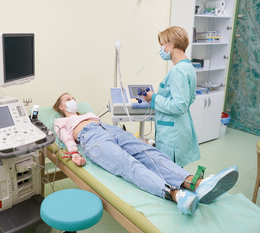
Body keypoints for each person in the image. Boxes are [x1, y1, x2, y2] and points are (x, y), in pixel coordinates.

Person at [52, 93, 239, 216]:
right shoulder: (60, 121)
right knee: (128, 164)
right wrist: (75, 153)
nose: (72, 99)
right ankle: (176, 195)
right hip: (91, 138)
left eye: (73, 97)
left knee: (149, 152)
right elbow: (67, 139)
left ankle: (197, 183)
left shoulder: (89, 113)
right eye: (68, 98)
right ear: (61, 107)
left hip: (109, 129)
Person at [142, 26, 200, 167]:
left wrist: (153, 98)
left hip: (172, 133)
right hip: (181, 127)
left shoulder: (178, 71)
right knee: (176, 171)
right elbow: (189, 99)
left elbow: (179, 105)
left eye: (162, 45)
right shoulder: (188, 67)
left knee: (169, 173)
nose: (161, 49)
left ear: (171, 44)